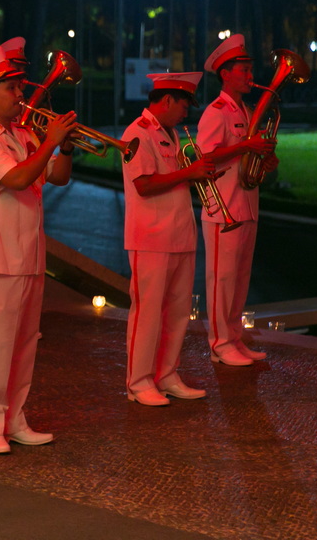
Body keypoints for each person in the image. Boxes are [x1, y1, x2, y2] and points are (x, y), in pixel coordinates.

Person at [0, 40, 76, 454]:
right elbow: (17, 179)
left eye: (19, 86)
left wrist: (64, 146)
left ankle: (14, 417)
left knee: (26, 342)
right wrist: (50, 142)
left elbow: (57, 177)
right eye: (10, 88)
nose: (20, 93)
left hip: (28, 254)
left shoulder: (23, 133)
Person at [120, 72, 212, 407]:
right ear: (168, 100)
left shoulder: (171, 133)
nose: (187, 112)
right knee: (147, 313)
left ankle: (167, 374)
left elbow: (174, 180)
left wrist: (195, 173)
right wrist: (189, 173)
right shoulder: (137, 133)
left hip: (179, 234)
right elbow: (143, 184)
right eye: (184, 105)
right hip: (150, 237)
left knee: (177, 312)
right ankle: (139, 382)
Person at [198, 34, 278, 367]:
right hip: (223, 207)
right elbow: (205, 157)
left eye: (249, 69)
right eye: (243, 70)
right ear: (225, 74)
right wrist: (247, 146)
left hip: (245, 204)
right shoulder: (215, 112)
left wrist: (265, 159)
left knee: (240, 278)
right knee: (222, 279)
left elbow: (247, 156)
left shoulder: (246, 111)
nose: (250, 76)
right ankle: (219, 343)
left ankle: (232, 338)